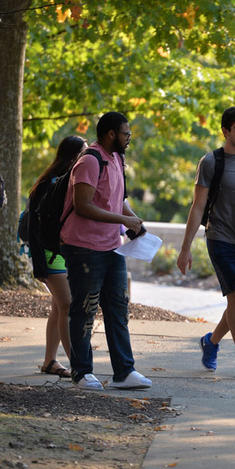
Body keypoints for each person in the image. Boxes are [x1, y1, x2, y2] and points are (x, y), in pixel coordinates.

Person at [60, 112, 151, 391]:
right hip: (84, 248)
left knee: (118, 309)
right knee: (85, 309)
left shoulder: (117, 159)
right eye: (126, 134)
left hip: (112, 247)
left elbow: (118, 202)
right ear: (111, 134)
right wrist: (124, 221)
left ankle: (124, 371)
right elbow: (83, 205)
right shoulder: (90, 160)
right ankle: (82, 372)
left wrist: (134, 222)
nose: (129, 139)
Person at [178, 106, 235, 379]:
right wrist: (185, 248)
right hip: (221, 238)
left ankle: (211, 342)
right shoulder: (211, 162)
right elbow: (197, 207)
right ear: (225, 131)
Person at [26, 136, 87, 378]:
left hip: (67, 252)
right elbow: (33, 227)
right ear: (72, 156)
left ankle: (50, 361)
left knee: (58, 306)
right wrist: (38, 265)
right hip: (50, 255)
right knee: (67, 305)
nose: (87, 157)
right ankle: (79, 366)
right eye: (83, 152)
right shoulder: (46, 185)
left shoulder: (74, 183)